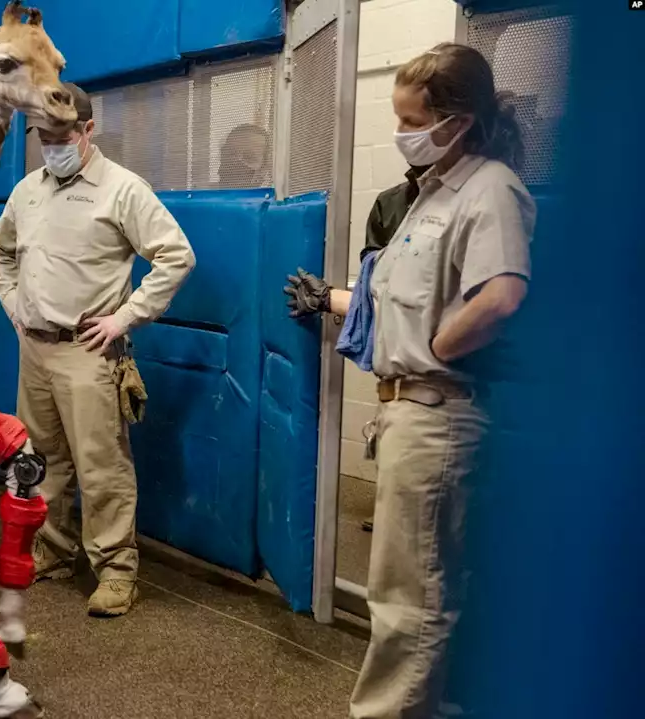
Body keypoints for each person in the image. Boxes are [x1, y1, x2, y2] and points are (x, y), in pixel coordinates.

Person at [286, 43, 534, 718]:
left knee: (410, 599)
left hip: (436, 414)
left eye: (411, 119)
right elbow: (391, 300)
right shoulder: (424, 197)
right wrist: (336, 300)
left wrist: (438, 344)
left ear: (457, 119)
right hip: (405, 415)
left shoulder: (489, 188)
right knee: (411, 589)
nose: (402, 133)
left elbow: (503, 293)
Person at [0, 82, 196, 618]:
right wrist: (14, 306)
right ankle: (54, 551)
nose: (51, 144)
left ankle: (116, 570)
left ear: (87, 129)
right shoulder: (27, 190)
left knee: (101, 465)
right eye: (42, 135)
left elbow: (176, 256)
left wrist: (126, 317)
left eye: (61, 134)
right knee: (40, 460)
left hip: (88, 350)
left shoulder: (122, 189)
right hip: (34, 348)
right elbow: (0, 251)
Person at [288, 161, 430, 533]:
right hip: (401, 361)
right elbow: (380, 291)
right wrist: (332, 300)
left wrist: (332, 301)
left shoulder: (481, 204)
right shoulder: (392, 204)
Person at [216, 123, 272, 188]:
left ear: (263, 168)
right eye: (231, 154)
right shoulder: (206, 194)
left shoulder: (270, 196)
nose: (235, 162)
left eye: (249, 157)